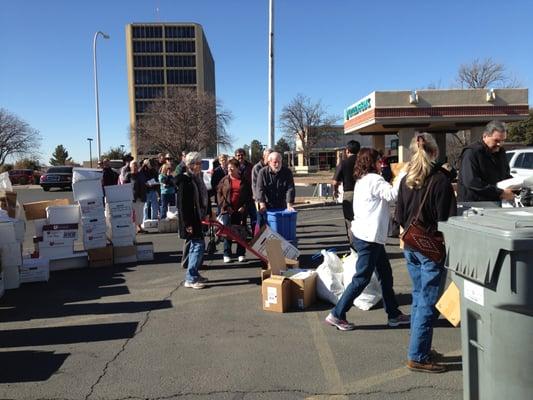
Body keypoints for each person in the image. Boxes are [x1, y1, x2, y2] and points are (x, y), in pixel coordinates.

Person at [325, 148, 409, 331]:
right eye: (379, 161)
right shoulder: (374, 180)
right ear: (371, 163)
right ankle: (337, 314)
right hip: (369, 238)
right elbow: (392, 195)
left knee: (385, 275)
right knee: (361, 278)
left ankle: (394, 315)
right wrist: (402, 174)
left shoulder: (363, 180)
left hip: (366, 236)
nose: (382, 164)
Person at [395, 133, 457, 373]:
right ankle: (418, 354)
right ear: (434, 152)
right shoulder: (440, 181)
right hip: (430, 248)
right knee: (428, 302)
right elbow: (448, 220)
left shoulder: (406, 179)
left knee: (420, 298)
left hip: (411, 244)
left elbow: (399, 216)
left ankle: (418, 348)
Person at [175, 152, 210, 289]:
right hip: (191, 220)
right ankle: (191, 278)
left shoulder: (196, 178)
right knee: (197, 246)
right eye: (199, 163)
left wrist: (206, 212)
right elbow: (182, 205)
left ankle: (194, 273)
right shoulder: (185, 181)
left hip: (197, 217)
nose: (201, 166)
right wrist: (187, 224)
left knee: (197, 246)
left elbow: (202, 197)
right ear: (191, 165)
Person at [457, 120, 514, 202]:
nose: (500, 144)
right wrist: (499, 193)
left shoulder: (501, 152)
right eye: (496, 140)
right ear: (485, 136)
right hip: (473, 205)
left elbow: (505, 176)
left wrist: (517, 187)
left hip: (494, 203)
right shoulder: (472, 152)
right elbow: (471, 181)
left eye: (503, 140)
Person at [217, 159, 253, 263]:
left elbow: (249, 196)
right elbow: (219, 194)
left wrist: (244, 207)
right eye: (228, 168)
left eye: (232, 168)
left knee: (241, 232)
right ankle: (227, 253)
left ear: (237, 168)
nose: (230, 170)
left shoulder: (244, 181)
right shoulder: (224, 180)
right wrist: (225, 206)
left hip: (240, 210)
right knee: (227, 231)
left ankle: (241, 253)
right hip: (228, 210)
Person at [332, 140, 360, 244]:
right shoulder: (363, 162)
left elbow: (335, 181)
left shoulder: (343, 163)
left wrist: (335, 191)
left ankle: (353, 245)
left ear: (347, 151)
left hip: (349, 194)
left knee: (350, 221)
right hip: (363, 194)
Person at [124, 160, 147, 234]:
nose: (135, 167)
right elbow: (124, 186)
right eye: (134, 166)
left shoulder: (141, 174)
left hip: (141, 196)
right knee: (133, 213)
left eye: (136, 165)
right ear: (130, 167)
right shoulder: (128, 175)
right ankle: (134, 227)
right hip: (132, 197)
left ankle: (139, 226)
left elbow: (144, 183)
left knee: (140, 213)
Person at [234, 148, 255, 228]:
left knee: (253, 218)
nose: (240, 157)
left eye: (242, 155)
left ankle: (254, 237)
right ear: (235, 156)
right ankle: (242, 236)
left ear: (245, 156)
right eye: (238, 155)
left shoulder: (250, 166)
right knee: (241, 219)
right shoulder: (233, 166)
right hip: (238, 197)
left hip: (250, 195)